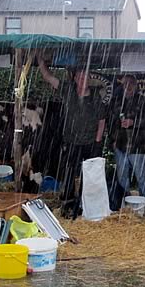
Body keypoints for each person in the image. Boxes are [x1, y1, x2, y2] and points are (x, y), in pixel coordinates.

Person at [37, 56, 106, 219]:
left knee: (88, 176)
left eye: (85, 76)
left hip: (90, 142)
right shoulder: (67, 89)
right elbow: (48, 77)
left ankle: (83, 205)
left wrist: (97, 141)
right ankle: (67, 204)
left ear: (89, 79)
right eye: (80, 76)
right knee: (68, 173)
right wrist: (41, 60)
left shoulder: (96, 96)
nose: (83, 80)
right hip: (71, 141)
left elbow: (102, 121)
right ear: (75, 78)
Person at [110, 75, 145, 201]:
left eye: (131, 83)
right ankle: (124, 202)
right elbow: (110, 121)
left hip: (137, 145)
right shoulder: (115, 100)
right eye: (125, 83)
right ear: (122, 85)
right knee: (122, 177)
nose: (128, 86)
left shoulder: (144, 101)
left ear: (136, 85)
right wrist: (113, 140)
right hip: (120, 145)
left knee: (141, 177)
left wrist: (133, 122)